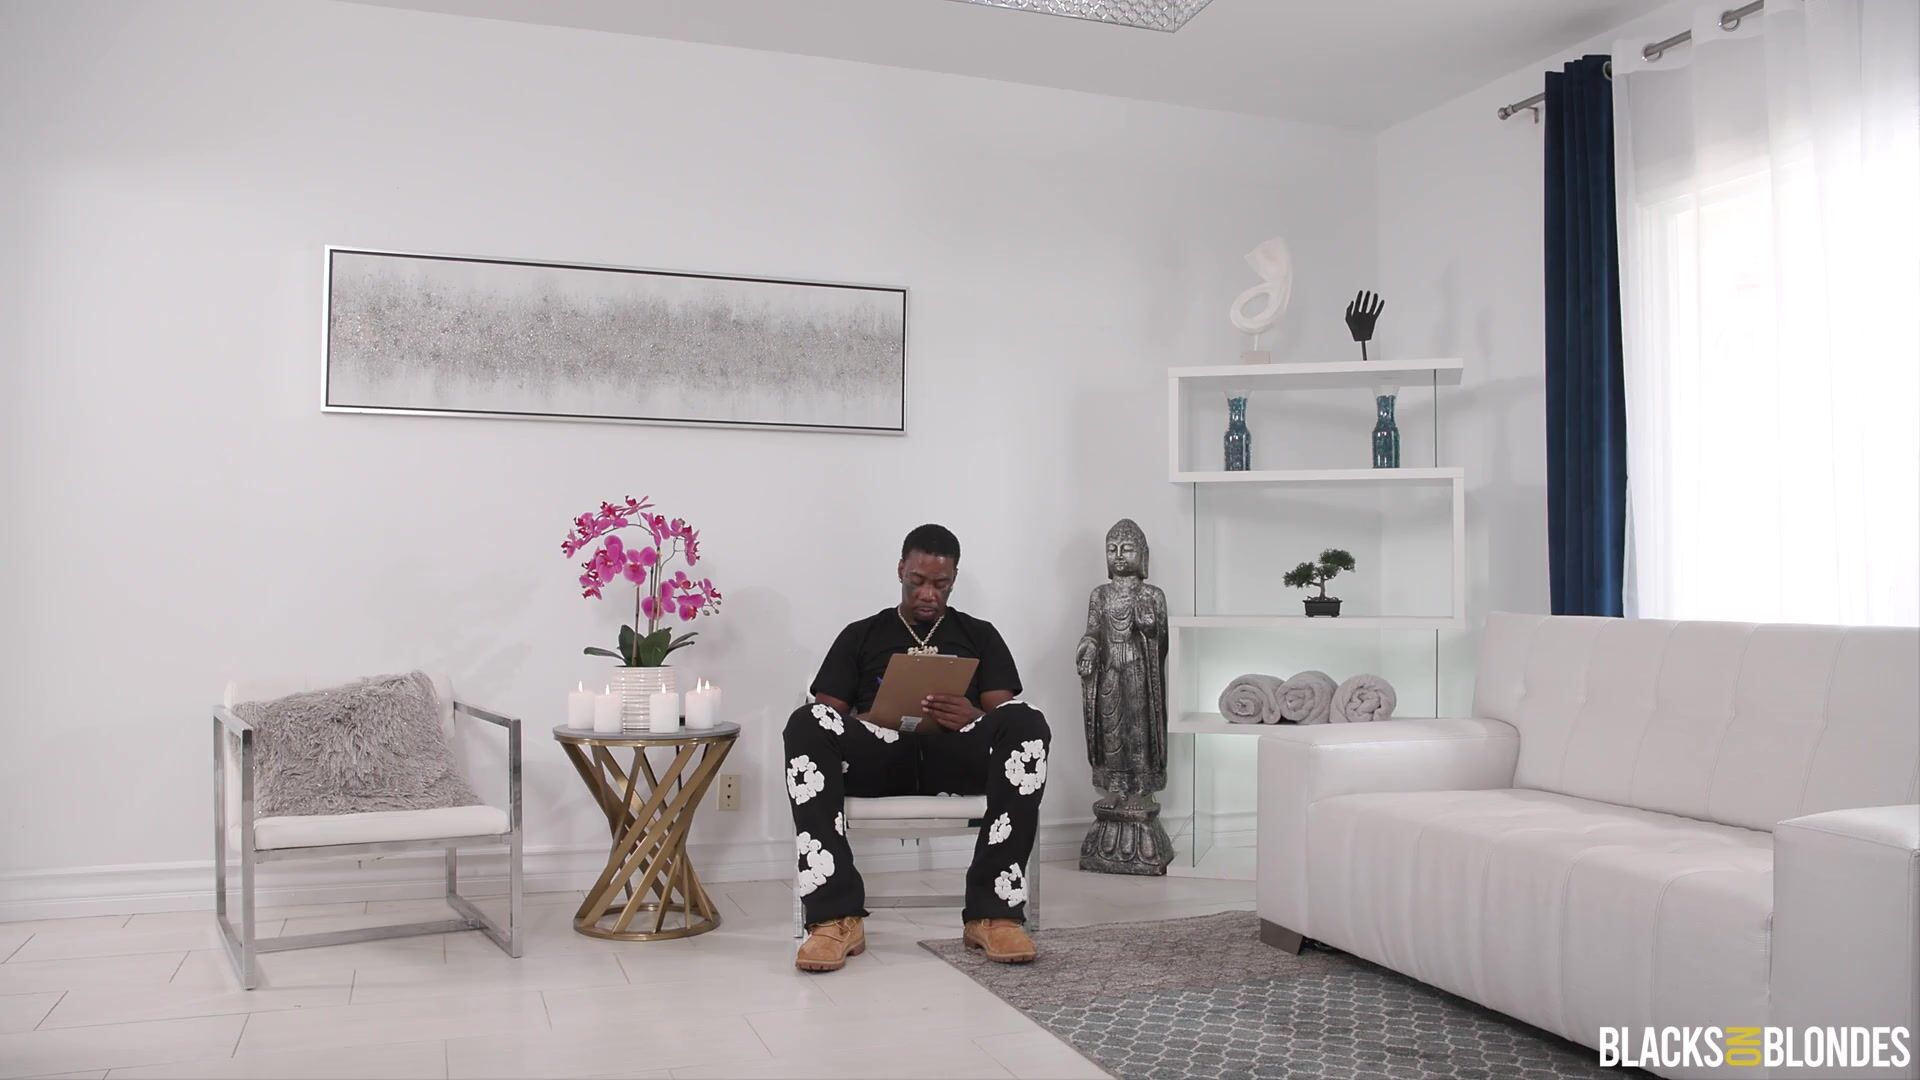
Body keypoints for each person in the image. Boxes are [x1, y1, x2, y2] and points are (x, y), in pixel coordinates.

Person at [785, 524, 1050, 973]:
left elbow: (1003, 712)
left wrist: (972, 716)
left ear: (954, 578)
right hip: (879, 759)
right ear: (900, 571)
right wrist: (867, 720)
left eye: (941, 584)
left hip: (955, 757)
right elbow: (828, 711)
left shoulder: (980, 634)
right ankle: (835, 918)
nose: (928, 594)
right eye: (918, 581)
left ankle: (994, 914)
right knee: (805, 722)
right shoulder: (861, 634)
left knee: (1028, 721)